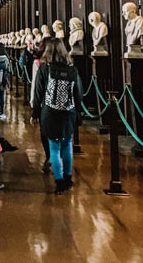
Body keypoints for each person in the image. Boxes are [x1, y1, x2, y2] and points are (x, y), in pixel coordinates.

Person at [31, 39, 83, 195]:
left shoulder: (44, 68)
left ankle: (59, 181)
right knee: (67, 144)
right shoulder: (72, 70)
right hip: (68, 112)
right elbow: (78, 94)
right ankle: (68, 178)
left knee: (53, 147)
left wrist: (35, 113)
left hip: (49, 112)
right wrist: (78, 113)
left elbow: (38, 93)